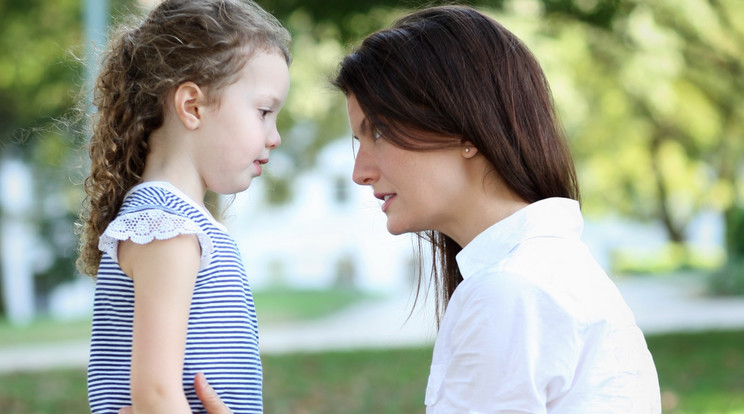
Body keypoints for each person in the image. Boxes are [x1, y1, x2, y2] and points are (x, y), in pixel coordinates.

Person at [185, 4, 662, 414]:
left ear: (466, 131)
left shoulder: (513, 291)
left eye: (380, 131)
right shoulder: (541, 270)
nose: (361, 172)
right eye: (358, 139)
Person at [76, 0, 290, 412]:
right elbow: (156, 394)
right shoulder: (166, 229)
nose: (274, 136)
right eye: (264, 112)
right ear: (192, 106)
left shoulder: (181, 224)